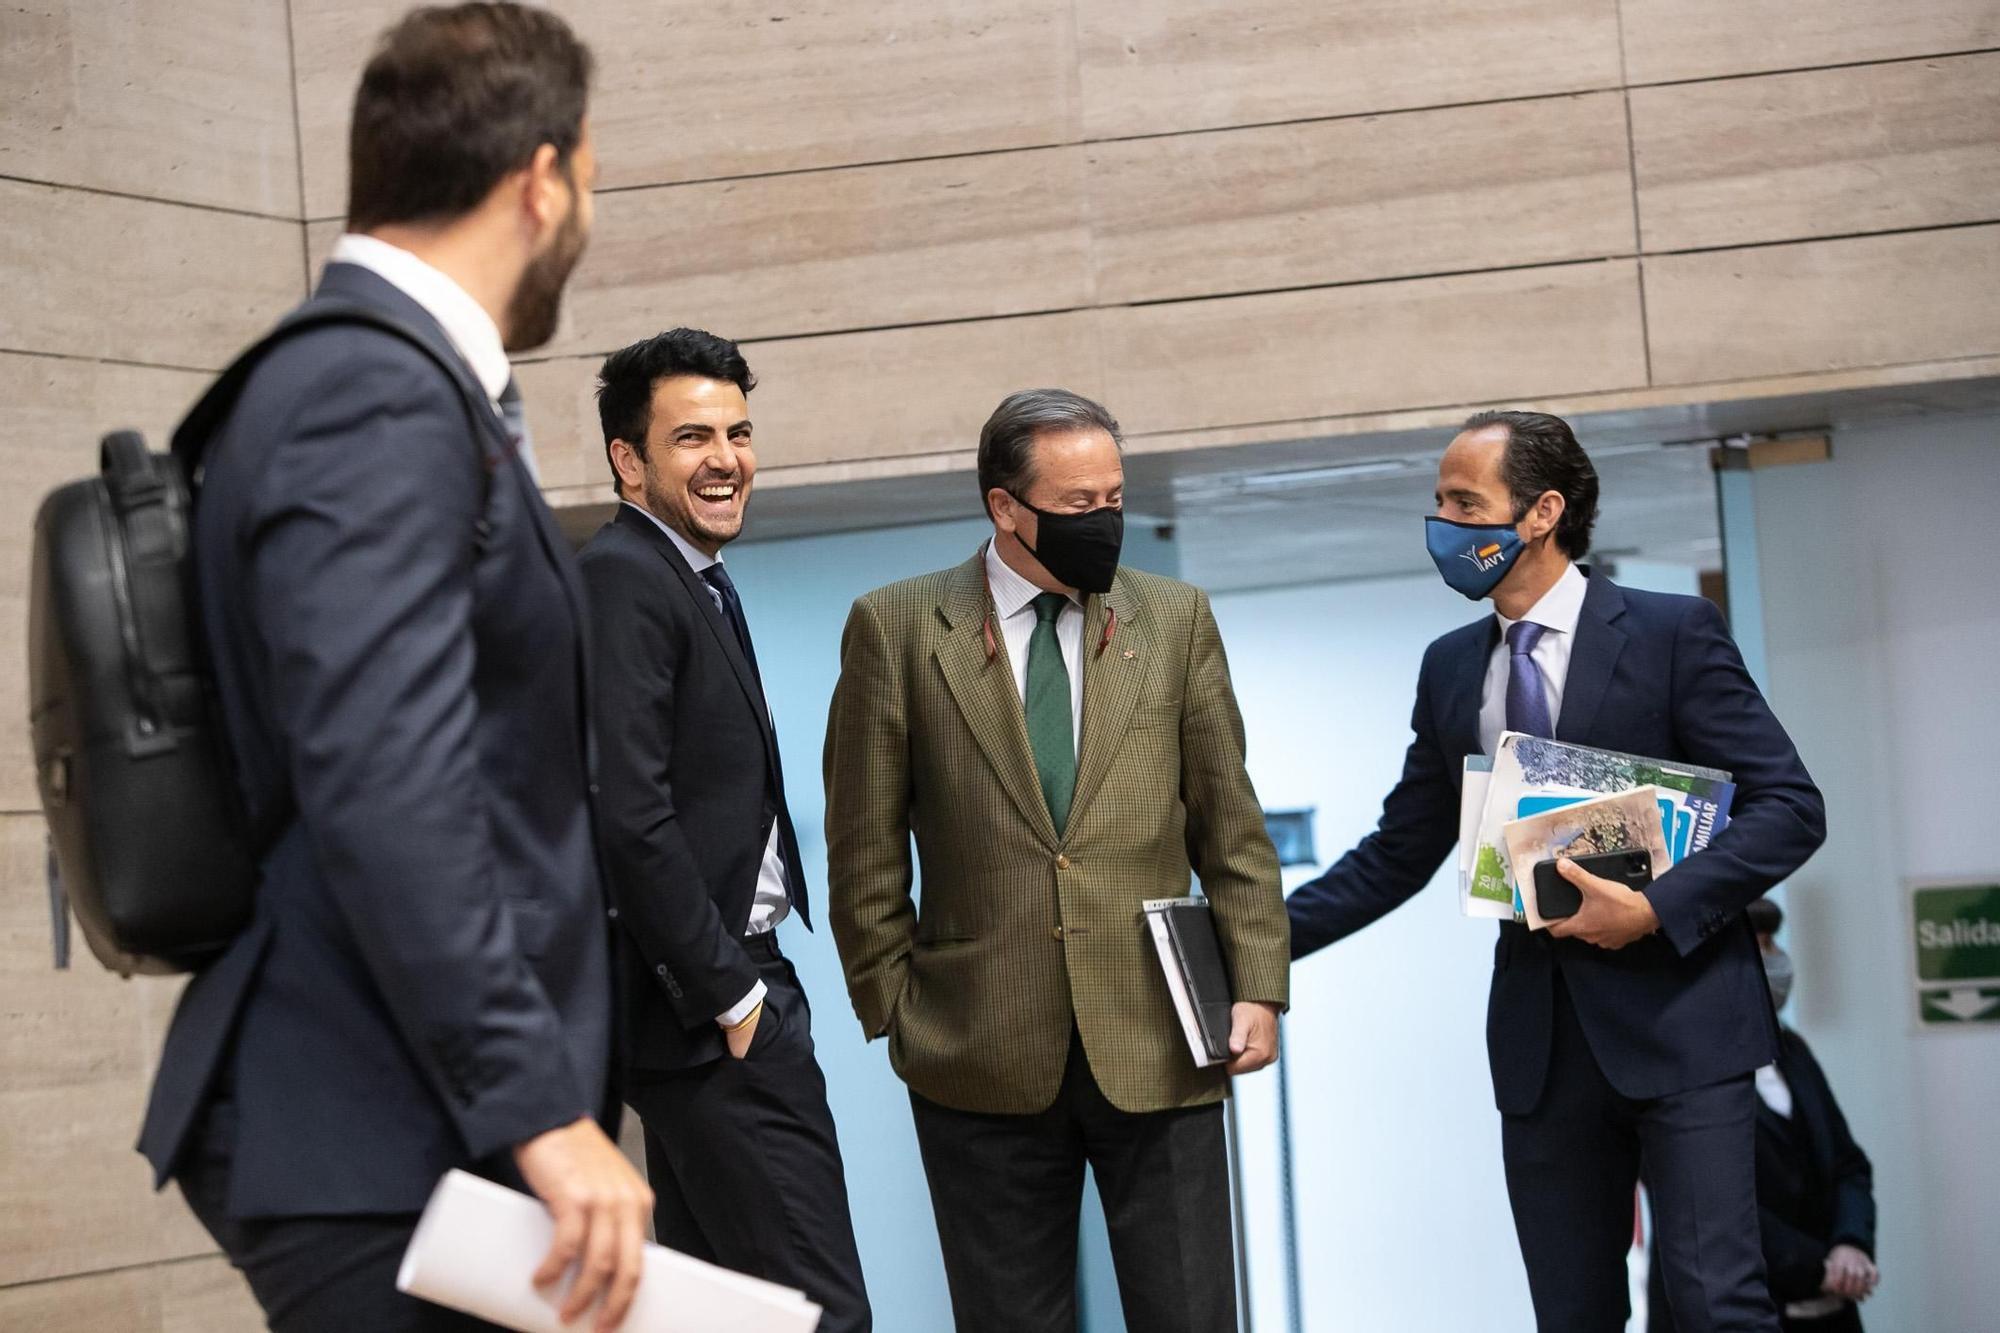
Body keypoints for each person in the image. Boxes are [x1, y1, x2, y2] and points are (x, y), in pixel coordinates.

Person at [136, 7, 651, 1330]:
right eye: (590, 180)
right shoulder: (372, 392)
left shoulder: (380, 382)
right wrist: (537, 1104)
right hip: (378, 1133)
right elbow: (388, 778)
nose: (587, 215)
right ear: (540, 181)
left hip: (403, 1128)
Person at [1285, 410, 1827, 1332]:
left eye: (1465, 503)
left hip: (1685, 1022)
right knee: (1572, 1315)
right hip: (1543, 1045)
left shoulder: (1671, 632)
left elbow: (1791, 808)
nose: (1444, 527)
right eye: (1440, 504)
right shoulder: (1451, 667)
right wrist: (1252, 940)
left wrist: (1654, 909)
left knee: (1714, 1304)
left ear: (1541, 512)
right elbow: (1402, 848)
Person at [823, 388, 1291, 1333]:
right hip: (975, 1049)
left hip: (1163, 1033)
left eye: (1114, 498)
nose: (1105, 522)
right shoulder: (898, 626)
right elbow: (863, 848)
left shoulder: (1177, 619)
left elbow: (1231, 827)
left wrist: (1260, 986)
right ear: (1006, 506)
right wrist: (899, 1013)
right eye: (1079, 506)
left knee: (1194, 1315)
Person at [577, 329, 871, 1331]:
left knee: (725, 1316)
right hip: (714, 1012)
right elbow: (630, 812)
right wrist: (734, 996)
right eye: (692, 436)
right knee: (820, 1315)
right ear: (629, 459)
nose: (725, 458)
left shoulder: (691, 575)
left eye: (738, 432)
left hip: (712, 1010)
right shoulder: (627, 576)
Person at [1649, 898, 1879, 1333]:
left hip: (1831, 1311)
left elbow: (1848, 1163)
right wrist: (1817, 1267)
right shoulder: (1674, 1069)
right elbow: (1704, 1204)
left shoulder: (1792, 1050)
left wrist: (1851, 1245)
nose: (1775, 961)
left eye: (1773, 945)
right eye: (1760, 947)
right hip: (1741, 1308)